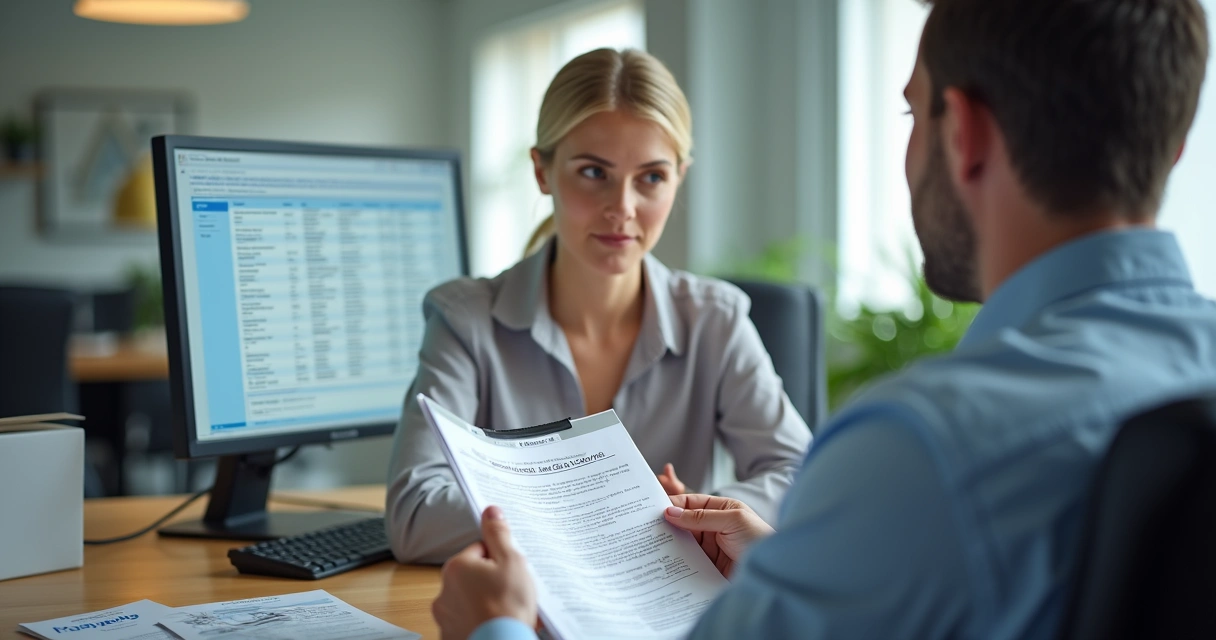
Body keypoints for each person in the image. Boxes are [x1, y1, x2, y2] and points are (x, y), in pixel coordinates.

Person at [430, 0, 1216, 637]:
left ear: (966, 134)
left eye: (912, 113)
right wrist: (787, 558)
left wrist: (498, 628)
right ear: (1173, 144)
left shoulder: (920, 448)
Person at [385, 48, 812, 564]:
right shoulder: (466, 321)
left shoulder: (715, 320)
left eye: (652, 177)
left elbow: (802, 477)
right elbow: (414, 515)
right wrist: (619, 509)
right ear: (542, 171)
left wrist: (694, 510)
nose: (623, 208)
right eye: (593, 172)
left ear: (679, 177)